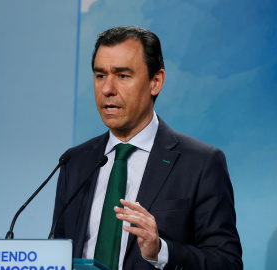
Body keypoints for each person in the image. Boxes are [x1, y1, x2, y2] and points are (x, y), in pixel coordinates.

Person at [52, 26, 243, 270]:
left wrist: (161, 251)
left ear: (155, 82)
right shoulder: (75, 162)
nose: (107, 89)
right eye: (100, 75)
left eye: (122, 76)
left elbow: (227, 263)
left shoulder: (201, 163)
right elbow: (58, 251)